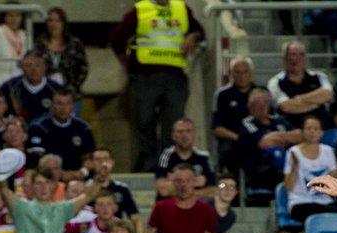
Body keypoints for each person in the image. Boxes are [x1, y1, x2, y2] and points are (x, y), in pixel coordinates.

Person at [109, 0, 205, 171]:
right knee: (145, 121)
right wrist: (128, 64)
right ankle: (149, 165)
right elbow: (117, 38)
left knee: (174, 123)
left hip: (175, 75)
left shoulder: (181, 8)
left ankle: (169, 163)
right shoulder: (140, 10)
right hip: (145, 75)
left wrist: (193, 36)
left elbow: (200, 32)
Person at [284, 116, 337, 223]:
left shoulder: (328, 151)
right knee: (319, 211)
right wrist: (295, 167)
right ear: (303, 132)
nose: (312, 132)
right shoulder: (293, 152)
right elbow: (289, 187)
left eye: (316, 129)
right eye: (308, 128)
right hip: (300, 203)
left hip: (325, 202)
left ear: (321, 132)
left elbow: (336, 184)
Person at [27, 88, 95, 173]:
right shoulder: (39, 127)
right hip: (48, 177)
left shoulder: (84, 128)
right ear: (52, 105)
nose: (63, 108)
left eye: (67, 104)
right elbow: (36, 161)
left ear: (72, 106)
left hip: (77, 177)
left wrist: (81, 173)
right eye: (59, 103)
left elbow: (89, 159)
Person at [212, 57, 258, 172]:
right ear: (231, 74)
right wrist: (239, 138)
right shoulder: (223, 95)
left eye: (245, 71)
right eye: (237, 72)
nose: (241, 75)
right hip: (232, 141)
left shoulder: (260, 92)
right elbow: (217, 128)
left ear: (251, 73)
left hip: (257, 140)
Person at [34, 7, 88, 104]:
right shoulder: (39, 44)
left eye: (58, 20)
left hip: (71, 96)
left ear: (63, 23)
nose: (53, 24)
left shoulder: (75, 43)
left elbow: (83, 69)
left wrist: (72, 88)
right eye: (50, 20)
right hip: (45, 95)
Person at [154, 117, 215, 199]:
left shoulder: (204, 156)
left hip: (196, 207)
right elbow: (163, 190)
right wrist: (194, 182)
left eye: (188, 131)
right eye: (180, 131)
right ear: (173, 135)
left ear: (194, 134)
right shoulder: (165, 156)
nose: (184, 135)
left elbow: (213, 191)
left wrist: (174, 182)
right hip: (171, 207)